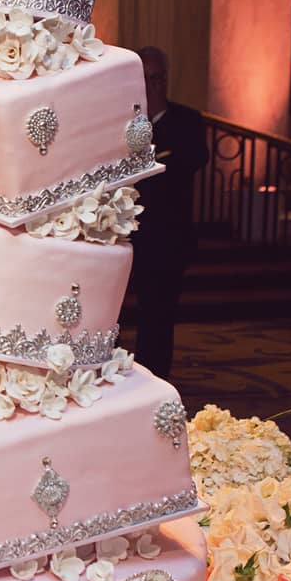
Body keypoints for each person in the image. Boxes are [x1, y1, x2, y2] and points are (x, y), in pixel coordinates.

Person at [128, 47, 208, 379]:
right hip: (121, 237)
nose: (153, 85)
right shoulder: (118, 123)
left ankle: (154, 384)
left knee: (158, 320)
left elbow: (187, 162)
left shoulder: (188, 122)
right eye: (145, 78)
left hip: (166, 240)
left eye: (158, 77)